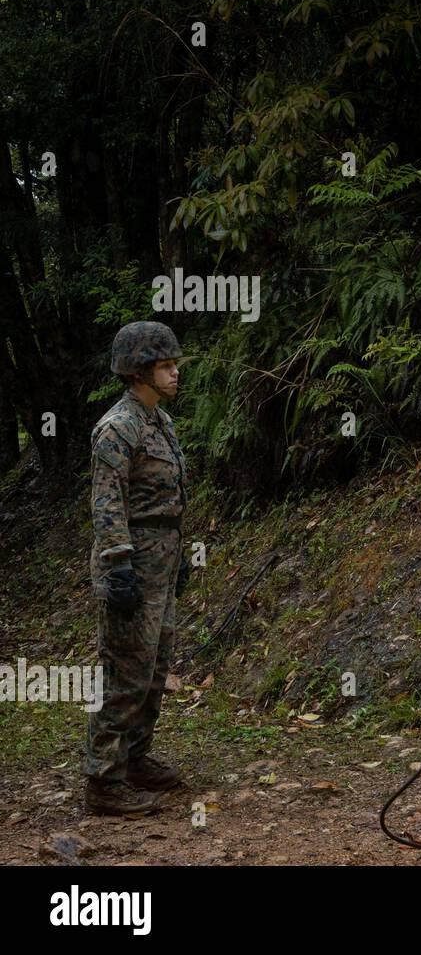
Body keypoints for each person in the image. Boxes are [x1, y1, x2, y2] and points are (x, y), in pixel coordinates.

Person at [85, 321, 191, 816]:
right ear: (140, 371)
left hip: (161, 554)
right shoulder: (118, 426)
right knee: (125, 668)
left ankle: (136, 757)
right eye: (166, 366)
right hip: (130, 557)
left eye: (173, 365)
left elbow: (168, 498)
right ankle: (103, 780)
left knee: (154, 666)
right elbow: (108, 502)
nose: (174, 374)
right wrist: (118, 564)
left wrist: (178, 554)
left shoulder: (160, 422)